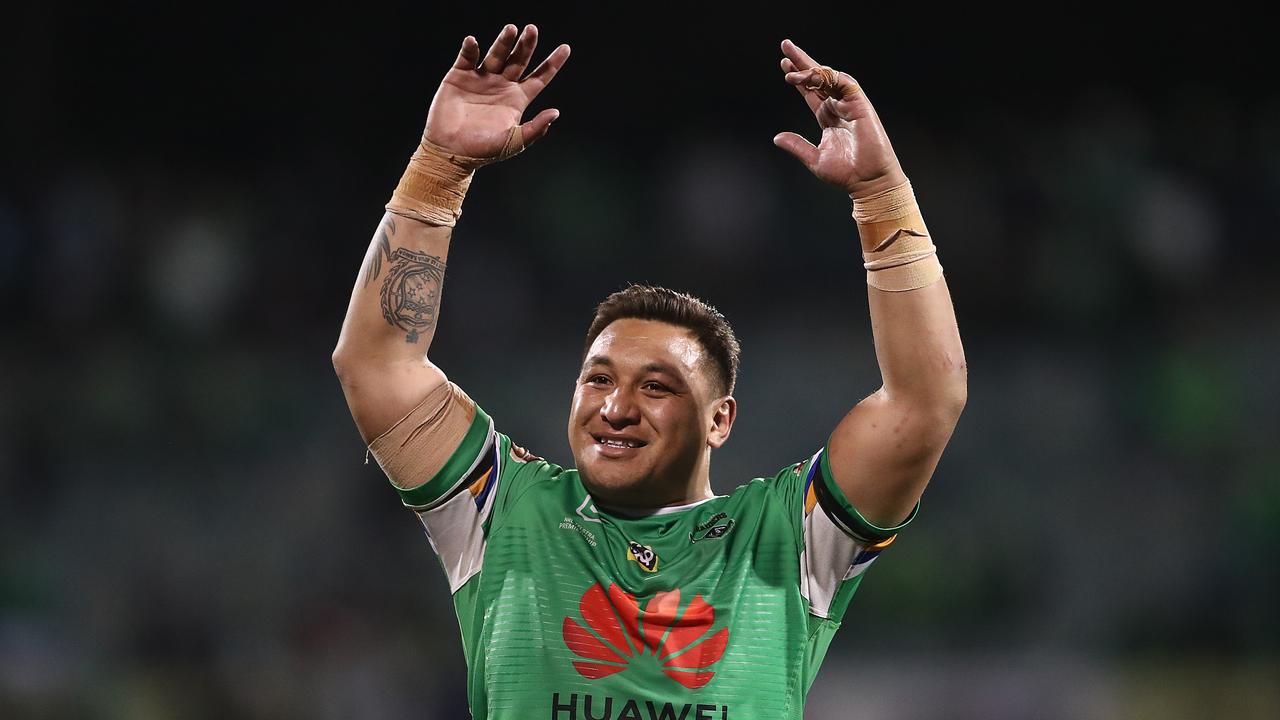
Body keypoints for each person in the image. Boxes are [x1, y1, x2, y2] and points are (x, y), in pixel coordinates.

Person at [332, 22, 967, 719]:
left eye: (656, 386)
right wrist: (438, 169)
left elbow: (925, 400)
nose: (615, 405)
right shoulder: (503, 511)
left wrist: (880, 194)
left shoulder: (787, 537)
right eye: (598, 378)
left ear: (719, 419)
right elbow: (376, 364)